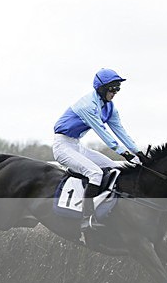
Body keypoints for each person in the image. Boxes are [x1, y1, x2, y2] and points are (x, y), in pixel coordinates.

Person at [53, 68, 142, 231]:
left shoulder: (110, 108)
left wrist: (138, 152)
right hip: (62, 146)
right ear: (101, 88)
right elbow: (103, 132)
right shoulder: (87, 105)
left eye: (118, 89)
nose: (115, 92)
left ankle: (109, 209)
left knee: (115, 168)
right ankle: (86, 219)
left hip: (77, 145)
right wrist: (123, 153)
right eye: (112, 89)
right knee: (95, 173)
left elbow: (120, 132)